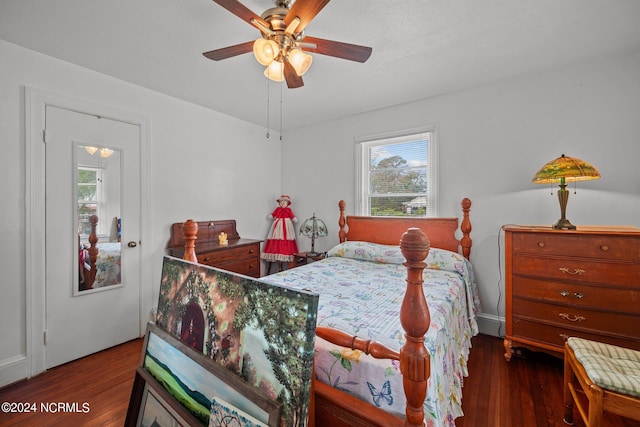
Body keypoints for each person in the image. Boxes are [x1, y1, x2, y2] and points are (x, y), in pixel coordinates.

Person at [261, 195, 299, 267]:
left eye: (284, 202)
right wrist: (271, 216)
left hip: (286, 224)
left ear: (287, 203)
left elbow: (292, 216)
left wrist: (294, 218)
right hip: (278, 224)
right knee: (276, 236)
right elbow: (273, 214)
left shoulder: (288, 210)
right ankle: (276, 253)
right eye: (281, 202)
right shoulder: (277, 209)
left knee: (286, 237)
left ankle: (285, 253)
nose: (282, 203)